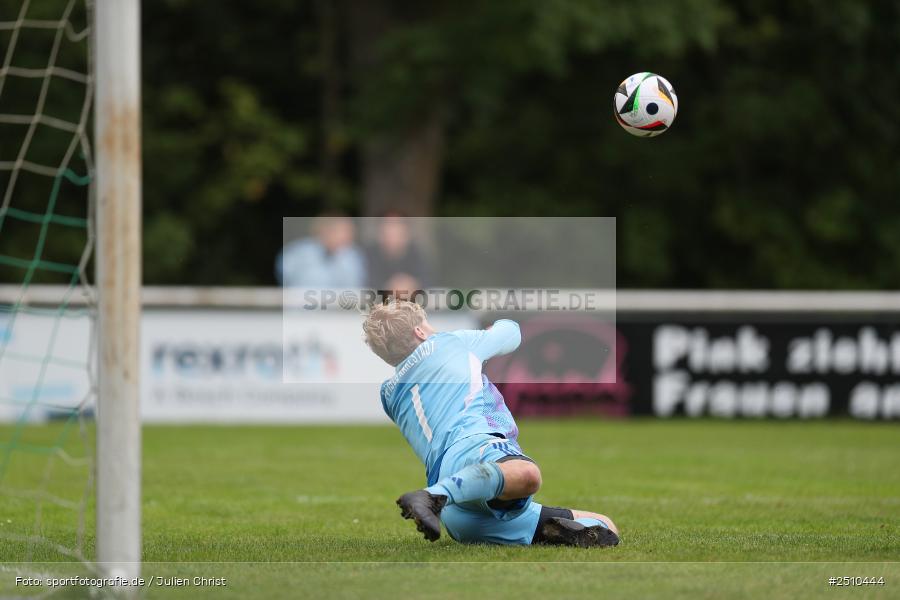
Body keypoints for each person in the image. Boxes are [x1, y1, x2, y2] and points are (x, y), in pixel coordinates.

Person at [362, 300, 620, 547]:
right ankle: (432, 497)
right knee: (528, 475)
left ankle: (542, 527)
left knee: (605, 527)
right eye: (428, 324)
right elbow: (511, 333)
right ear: (419, 331)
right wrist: (490, 330)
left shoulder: (389, 394)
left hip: (459, 512)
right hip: (474, 451)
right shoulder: (449, 343)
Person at [277, 214, 365, 288]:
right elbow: (288, 279)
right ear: (326, 231)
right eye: (345, 231)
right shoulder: (297, 252)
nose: (349, 236)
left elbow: (354, 284)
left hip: (337, 306)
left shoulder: (352, 255)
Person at [365, 213, 430, 295]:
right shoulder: (369, 254)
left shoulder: (417, 252)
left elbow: (427, 280)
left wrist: (413, 285)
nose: (392, 239)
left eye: (397, 233)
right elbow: (366, 282)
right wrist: (389, 287)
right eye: (387, 233)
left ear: (406, 235)